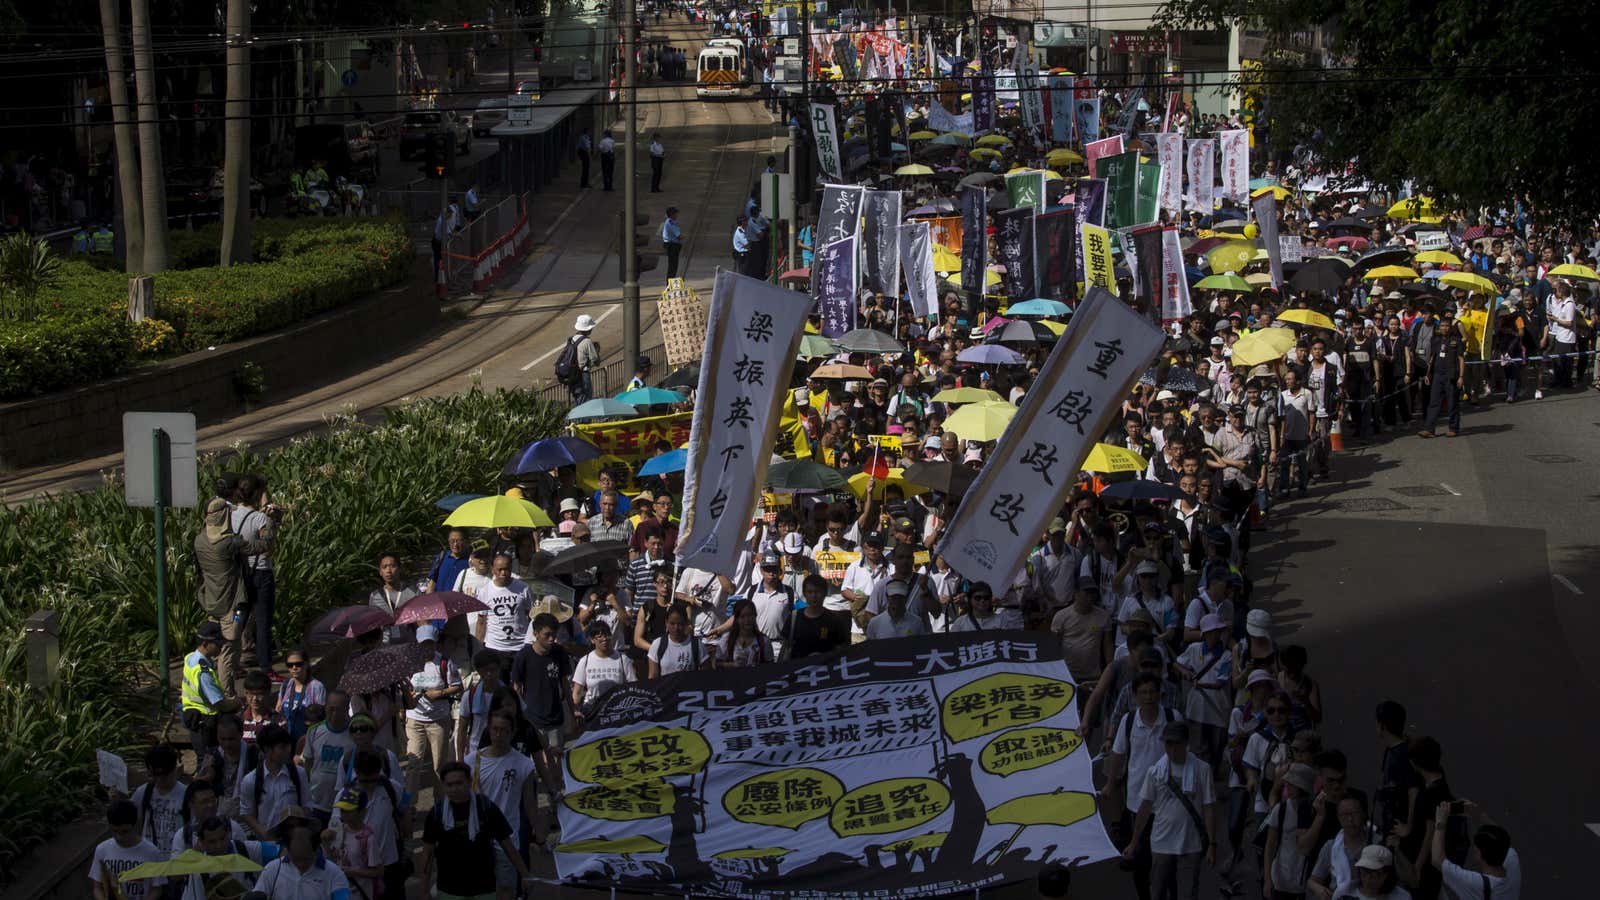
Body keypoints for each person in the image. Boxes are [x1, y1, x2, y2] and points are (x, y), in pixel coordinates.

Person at [1121, 721, 1217, 900]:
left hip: (1192, 842)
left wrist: (1212, 845)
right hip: (1161, 842)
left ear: (1186, 743)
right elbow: (1145, 807)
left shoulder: (1203, 770)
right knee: (1157, 892)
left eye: (1177, 743)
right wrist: (1134, 842)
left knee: (1188, 893)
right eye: (1168, 743)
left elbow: (1209, 807)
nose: (1172, 749)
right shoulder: (1155, 772)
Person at [418, 762, 536, 900]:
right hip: (449, 891)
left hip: (484, 890)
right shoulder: (436, 814)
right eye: (449, 785)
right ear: (443, 786)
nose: (455, 789)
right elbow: (427, 853)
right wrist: (424, 890)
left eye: (459, 783)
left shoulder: (486, 808)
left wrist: (525, 874)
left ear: (469, 782)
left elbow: (508, 846)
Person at [194, 498, 271, 698]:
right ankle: (227, 695)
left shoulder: (200, 540)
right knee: (230, 648)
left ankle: (211, 690)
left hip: (212, 602)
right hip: (234, 607)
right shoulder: (229, 543)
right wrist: (269, 525)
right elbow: (261, 546)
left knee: (216, 647)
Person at [464, 711, 547, 899]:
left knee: (505, 889)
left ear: (512, 732)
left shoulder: (524, 764)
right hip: (477, 837)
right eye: (495, 729)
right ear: (489, 729)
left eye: (504, 731)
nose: (499, 735)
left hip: (508, 838)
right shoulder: (471, 762)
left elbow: (529, 803)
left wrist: (538, 832)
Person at [511, 612, 576, 804]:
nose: (551, 639)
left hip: (554, 719)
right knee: (533, 770)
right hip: (531, 721)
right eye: (547, 635)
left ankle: (554, 808)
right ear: (536, 633)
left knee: (555, 767)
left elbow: (565, 684)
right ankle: (532, 809)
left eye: (553, 635)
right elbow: (516, 688)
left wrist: (573, 712)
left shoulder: (559, 653)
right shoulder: (524, 655)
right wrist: (519, 718)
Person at [406, 624, 463, 795]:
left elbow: (457, 686)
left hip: (438, 720)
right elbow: (405, 688)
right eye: (423, 644)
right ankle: (409, 806)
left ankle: (441, 802)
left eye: (430, 644)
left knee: (439, 765)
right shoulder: (410, 663)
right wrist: (410, 695)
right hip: (415, 719)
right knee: (413, 763)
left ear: (435, 644)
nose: (427, 648)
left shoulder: (444, 662)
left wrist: (440, 693)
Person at [1431, 801, 1519, 900]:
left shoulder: (1477, 884)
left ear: (1480, 853)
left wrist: (1440, 821)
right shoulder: (1512, 864)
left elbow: (1437, 860)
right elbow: (1502, 838)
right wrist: (1477, 814)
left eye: (1475, 847)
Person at [182, 622, 242, 760]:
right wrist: (236, 704)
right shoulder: (202, 672)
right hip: (205, 724)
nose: (221, 646)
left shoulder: (190, 658)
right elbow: (219, 703)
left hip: (194, 718)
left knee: (203, 761)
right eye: (217, 643)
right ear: (205, 643)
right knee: (209, 763)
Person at [239, 725, 307, 840]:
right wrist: (265, 834)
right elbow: (246, 813)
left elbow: (307, 805)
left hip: (293, 841)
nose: (288, 750)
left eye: (288, 746)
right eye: (282, 747)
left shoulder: (299, 774)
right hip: (265, 844)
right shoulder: (250, 780)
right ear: (267, 749)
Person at [1307, 793, 1379, 900]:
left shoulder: (1377, 842)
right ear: (1338, 818)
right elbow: (1312, 881)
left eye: (1354, 813)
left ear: (1364, 814)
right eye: (1344, 815)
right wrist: (1319, 889)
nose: (1350, 819)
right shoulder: (1331, 846)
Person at [252, 821, 350, 898]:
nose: (301, 864)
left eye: (306, 859)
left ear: (316, 851)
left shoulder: (334, 873)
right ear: (288, 851)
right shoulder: (272, 869)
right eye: (296, 859)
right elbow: (259, 893)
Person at [298, 688, 353, 826]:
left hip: (344, 803)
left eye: (339, 709)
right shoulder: (314, 731)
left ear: (347, 709)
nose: (334, 713)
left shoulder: (355, 732)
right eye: (331, 709)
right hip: (316, 802)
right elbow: (308, 764)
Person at [89, 799, 165, 900]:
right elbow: (97, 887)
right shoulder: (102, 849)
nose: (119, 837)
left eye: (125, 832)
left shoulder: (151, 852)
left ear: (134, 826)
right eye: (114, 831)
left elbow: (157, 888)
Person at [322, 790, 382, 900]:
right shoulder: (338, 830)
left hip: (360, 894)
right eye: (342, 809)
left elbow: (377, 871)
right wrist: (325, 844)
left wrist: (353, 872)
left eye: (348, 810)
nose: (343, 814)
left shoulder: (368, 838)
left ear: (362, 812)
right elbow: (331, 859)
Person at [477, 554, 534, 667]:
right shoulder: (485, 591)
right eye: (500, 569)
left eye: (506, 569)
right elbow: (481, 621)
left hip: (520, 645)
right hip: (495, 646)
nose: (503, 573)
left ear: (511, 568)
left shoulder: (523, 588)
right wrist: (479, 648)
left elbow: (531, 615)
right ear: (493, 569)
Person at [129, 745, 187, 854]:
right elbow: (132, 821)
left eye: (165, 774)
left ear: (175, 768)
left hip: (177, 858)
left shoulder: (186, 794)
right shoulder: (143, 792)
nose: (160, 779)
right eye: (155, 775)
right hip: (148, 858)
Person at [1418, 309, 1466, 438]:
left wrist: (1461, 377)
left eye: (1447, 326)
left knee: (1452, 403)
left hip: (1451, 376)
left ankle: (1453, 428)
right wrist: (1428, 374)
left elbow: (1461, 359)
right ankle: (1429, 429)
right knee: (1433, 403)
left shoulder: (1456, 341)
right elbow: (1432, 358)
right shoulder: (1436, 340)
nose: (1444, 328)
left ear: (1451, 327)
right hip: (1437, 376)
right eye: (1442, 326)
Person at [789, 573, 851, 659]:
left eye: (817, 592)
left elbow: (842, 649)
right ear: (804, 593)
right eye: (810, 592)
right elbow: (786, 646)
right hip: (798, 669)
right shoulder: (794, 618)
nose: (814, 596)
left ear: (825, 593)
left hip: (827, 669)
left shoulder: (834, 620)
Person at [368, 553, 419, 645]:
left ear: (400, 569)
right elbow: (373, 626)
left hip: (410, 644)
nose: (388, 571)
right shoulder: (375, 596)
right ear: (380, 572)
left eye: (392, 566)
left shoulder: (413, 593)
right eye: (384, 567)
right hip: (385, 646)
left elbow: (421, 621)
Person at [647, 602, 711, 676]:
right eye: (672, 623)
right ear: (666, 623)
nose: (676, 628)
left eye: (680, 624)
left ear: (686, 623)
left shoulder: (697, 645)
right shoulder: (657, 644)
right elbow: (652, 676)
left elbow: (706, 676)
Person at [276, 648, 324, 740]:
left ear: (306, 664)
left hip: (308, 740)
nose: (294, 667)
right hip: (286, 740)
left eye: (298, 664)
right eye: (290, 665)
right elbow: (278, 710)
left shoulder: (317, 687)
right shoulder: (285, 685)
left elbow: (320, 718)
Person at [563, 314, 601, 404]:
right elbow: (595, 360)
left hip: (572, 375)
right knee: (586, 400)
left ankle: (578, 417)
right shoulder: (587, 341)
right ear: (588, 329)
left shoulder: (571, 339)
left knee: (578, 399)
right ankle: (584, 418)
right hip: (583, 375)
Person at [661, 205, 683, 278]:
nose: (677, 215)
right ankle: (670, 284)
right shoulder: (671, 223)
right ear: (672, 214)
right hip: (672, 246)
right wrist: (683, 237)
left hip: (670, 245)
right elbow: (679, 236)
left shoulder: (668, 221)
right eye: (675, 213)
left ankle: (670, 283)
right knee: (673, 266)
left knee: (672, 265)